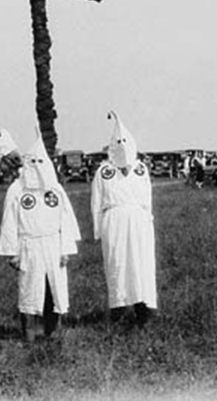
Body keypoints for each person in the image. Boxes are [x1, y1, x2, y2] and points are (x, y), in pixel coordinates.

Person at [0, 131, 81, 341]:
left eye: (40, 161)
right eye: (31, 161)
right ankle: (29, 333)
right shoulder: (16, 190)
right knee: (29, 289)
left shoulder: (55, 190)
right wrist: (12, 253)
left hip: (53, 244)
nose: (36, 166)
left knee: (54, 289)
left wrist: (66, 250)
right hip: (29, 245)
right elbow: (9, 222)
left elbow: (66, 220)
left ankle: (53, 330)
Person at [90, 111, 158, 330]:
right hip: (115, 223)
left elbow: (147, 200)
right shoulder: (104, 172)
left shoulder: (141, 170)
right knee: (118, 264)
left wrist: (148, 222)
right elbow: (97, 202)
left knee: (141, 264)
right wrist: (99, 230)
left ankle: (143, 311)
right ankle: (118, 309)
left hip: (139, 224)